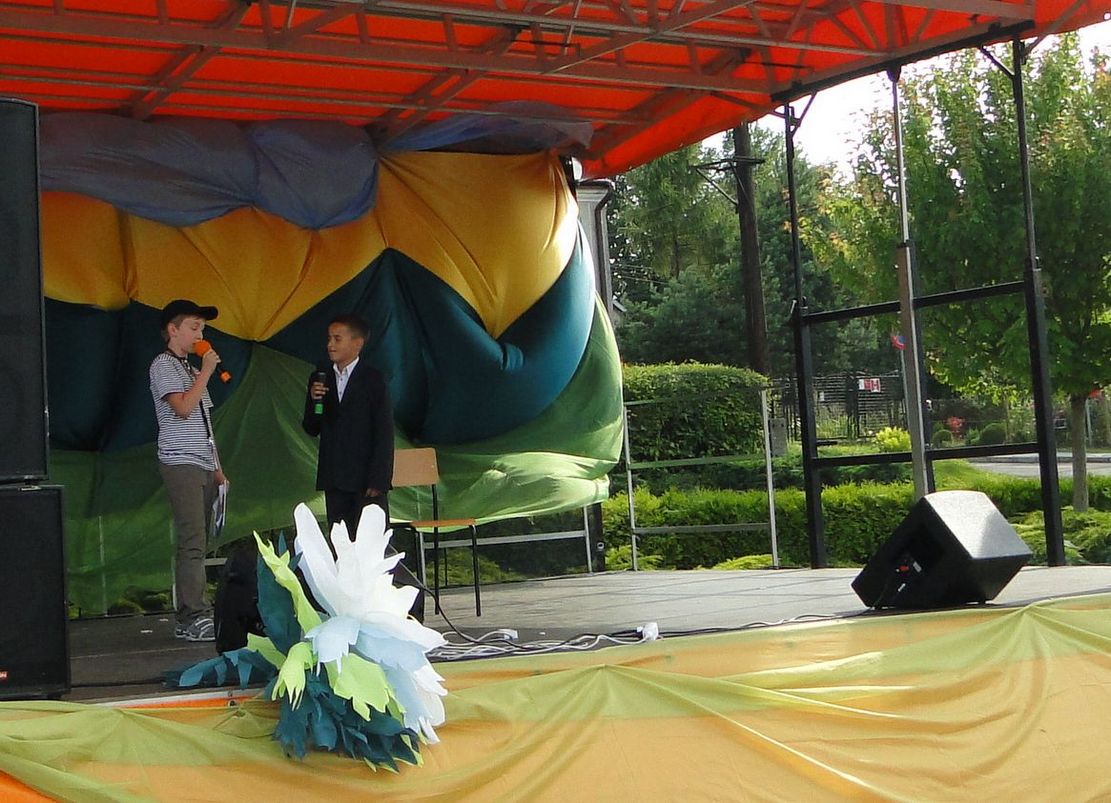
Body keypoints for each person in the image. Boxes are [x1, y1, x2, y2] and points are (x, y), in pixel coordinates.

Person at [301, 315, 423, 618]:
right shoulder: (321, 378)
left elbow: (383, 432)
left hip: (366, 477)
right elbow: (311, 426)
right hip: (335, 474)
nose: (330, 345)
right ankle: (343, 608)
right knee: (340, 541)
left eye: (338, 338)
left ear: (357, 342)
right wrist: (314, 400)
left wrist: (379, 478)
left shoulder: (372, 379)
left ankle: (386, 608)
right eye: (329, 338)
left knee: (370, 544)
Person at [149, 299, 227, 642]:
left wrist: (218, 468)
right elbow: (182, 408)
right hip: (180, 460)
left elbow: (204, 421)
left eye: (202, 329)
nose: (200, 335)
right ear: (173, 330)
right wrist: (207, 372)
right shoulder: (162, 365)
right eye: (194, 327)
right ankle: (194, 614)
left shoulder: (191, 370)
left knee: (200, 539)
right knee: (192, 539)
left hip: (203, 461)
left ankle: (190, 615)